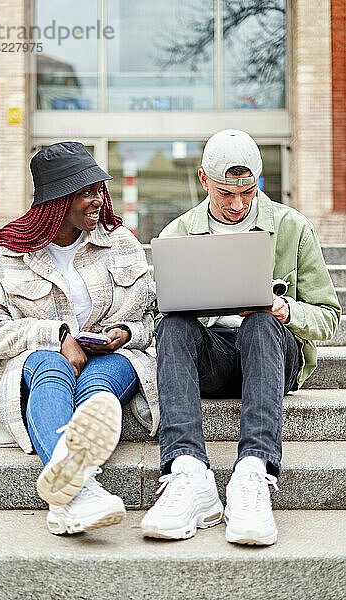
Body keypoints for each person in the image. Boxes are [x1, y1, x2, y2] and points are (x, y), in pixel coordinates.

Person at [141, 129, 341, 545]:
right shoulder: (179, 232)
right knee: (173, 325)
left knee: (262, 322)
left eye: (248, 192)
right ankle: (187, 470)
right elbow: (159, 310)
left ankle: (255, 470)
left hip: (271, 356)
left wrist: (286, 310)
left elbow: (329, 318)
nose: (238, 204)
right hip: (212, 358)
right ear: (203, 180)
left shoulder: (290, 227)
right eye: (226, 193)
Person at [0, 142, 157, 535]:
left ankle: (69, 496)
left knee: (98, 380)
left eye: (99, 190)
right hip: (35, 362)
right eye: (86, 192)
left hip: (114, 357)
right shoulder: (4, 255)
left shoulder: (120, 242)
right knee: (51, 365)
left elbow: (154, 316)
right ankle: (79, 489)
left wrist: (126, 332)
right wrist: (56, 335)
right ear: (57, 200)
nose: (98, 200)